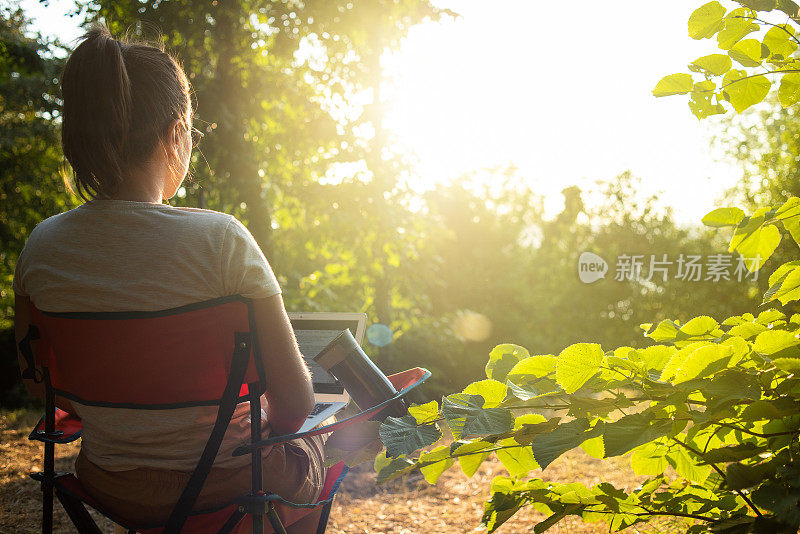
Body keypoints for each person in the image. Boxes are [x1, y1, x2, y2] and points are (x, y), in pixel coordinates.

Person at [13, 23, 326, 533]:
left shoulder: (41, 248)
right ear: (176, 134)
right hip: (226, 483)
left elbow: (40, 386)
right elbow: (294, 406)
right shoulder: (222, 242)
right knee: (331, 436)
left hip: (109, 483)